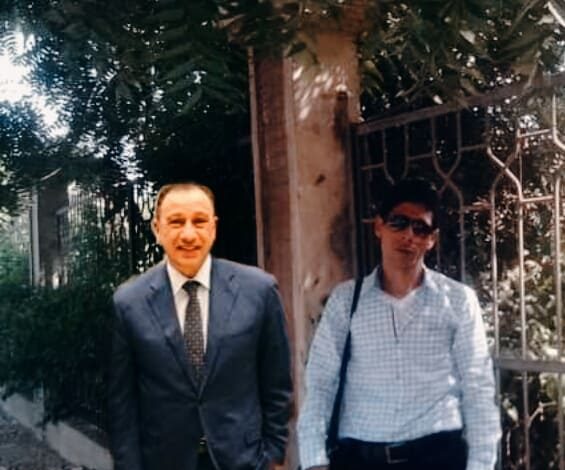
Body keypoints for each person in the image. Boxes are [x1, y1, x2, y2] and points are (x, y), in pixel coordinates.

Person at [297, 178, 500, 470]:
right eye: (398, 223)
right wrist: (314, 460)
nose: (408, 236)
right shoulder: (346, 301)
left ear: (431, 239)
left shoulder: (458, 300)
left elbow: (478, 386)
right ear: (379, 227)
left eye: (420, 228)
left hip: (438, 456)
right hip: (362, 459)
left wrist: (481, 464)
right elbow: (320, 383)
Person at [109, 182, 292, 470]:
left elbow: (277, 384)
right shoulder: (129, 302)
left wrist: (274, 458)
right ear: (157, 229)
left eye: (199, 221)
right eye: (176, 222)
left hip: (245, 460)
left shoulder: (259, 290)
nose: (188, 234)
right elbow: (122, 405)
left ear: (214, 227)